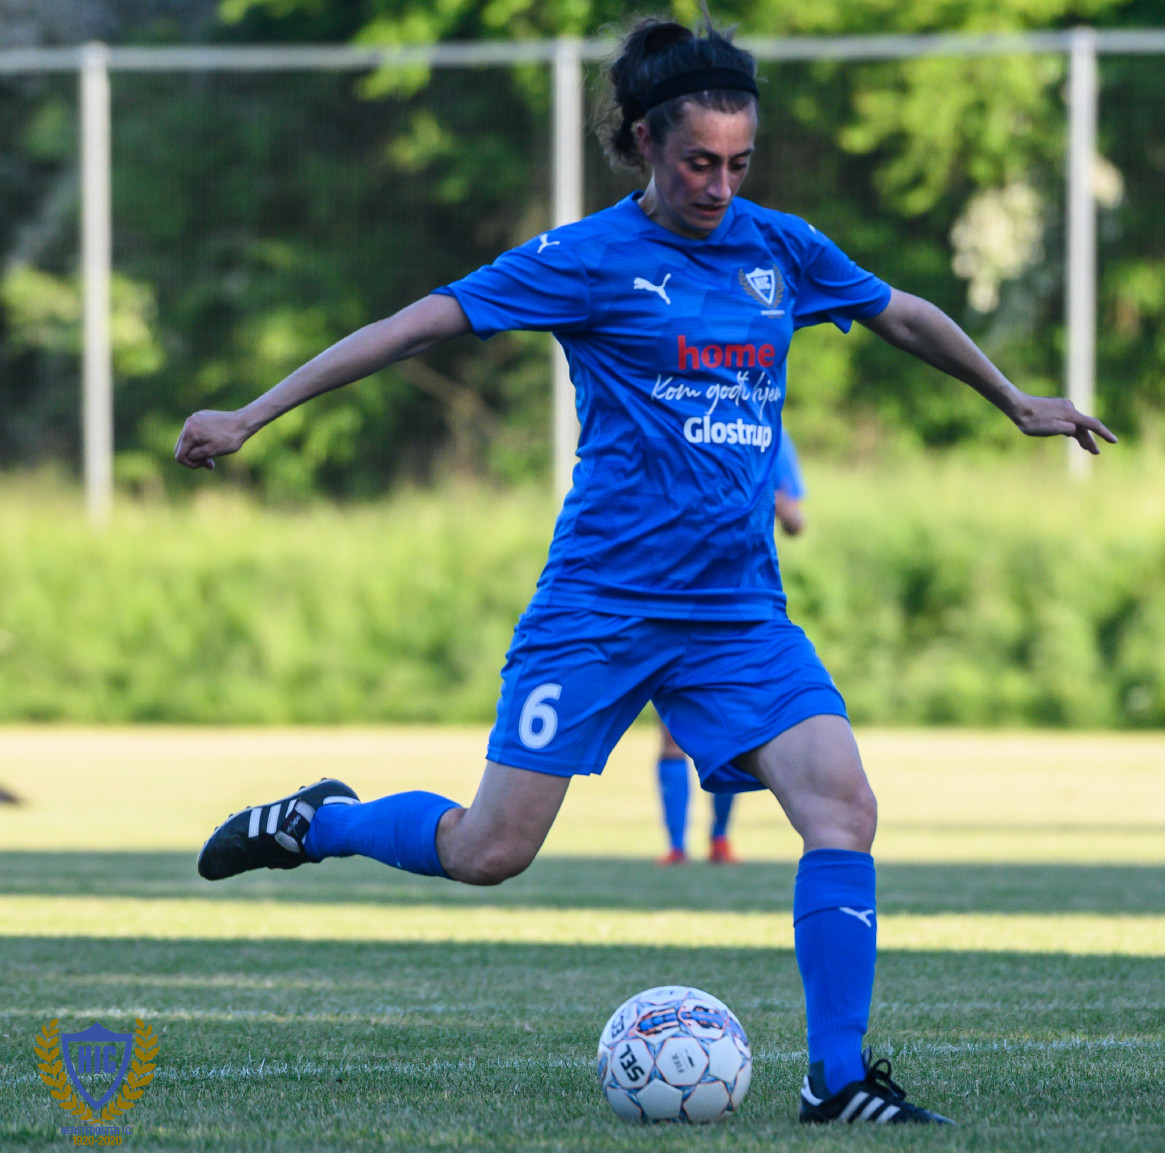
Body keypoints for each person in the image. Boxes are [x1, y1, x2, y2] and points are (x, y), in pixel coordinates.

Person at [175, 11, 1112, 1127]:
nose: (720, 186)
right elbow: (414, 327)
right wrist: (255, 412)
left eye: (739, 162)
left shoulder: (780, 250)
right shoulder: (585, 260)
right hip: (599, 607)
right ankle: (321, 822)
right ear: (643, 144)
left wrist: (1011, 397)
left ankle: (837, 1078)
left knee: (843, 805)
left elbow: (900, 314)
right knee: (488, 851)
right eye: (698, 163)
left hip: (736, 612)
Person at [656, 431, 805, 865]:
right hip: (674, 598)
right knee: (672, 734)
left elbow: (796, 521)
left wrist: (771, 501)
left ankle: (718, 838)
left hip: (738, 605)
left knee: (731, 733)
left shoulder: (769, 433)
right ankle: (677, 846)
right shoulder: (680, 417)